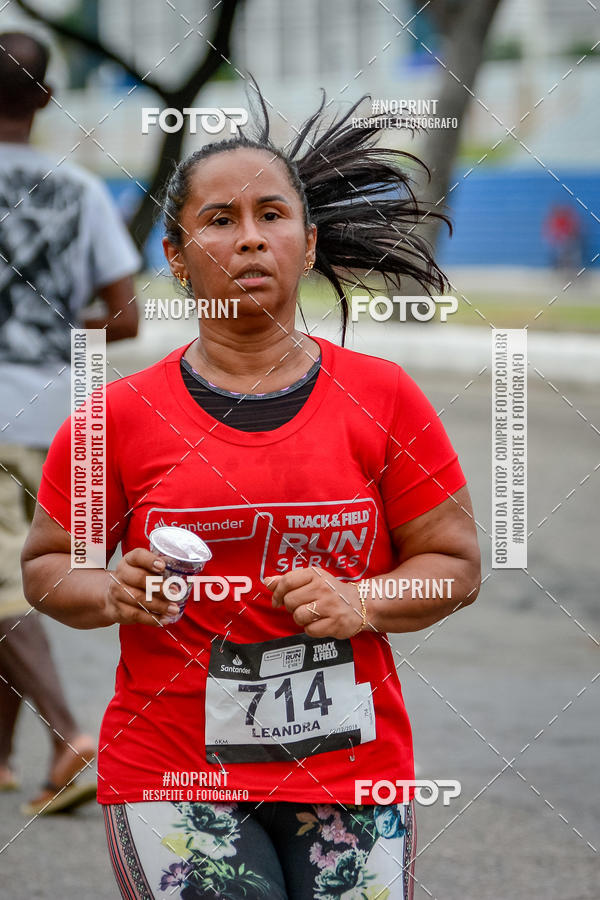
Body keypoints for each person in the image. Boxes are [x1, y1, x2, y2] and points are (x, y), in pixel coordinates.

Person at [22, 89, 480, 898]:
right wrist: (114, 589)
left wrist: (364, 602)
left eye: (272, 216)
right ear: (175, 251)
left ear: (307, 245)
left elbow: (454, 563)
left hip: (351, 771)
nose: (249, 239)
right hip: (175, 769)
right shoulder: (115, 420)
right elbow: (49, 568)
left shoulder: (384, 398)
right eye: (220, 220)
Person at [0, 31, 140, 814]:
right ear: (48, 99)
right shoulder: (80, 189)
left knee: (5, 590)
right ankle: (7, 760)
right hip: (59, 415)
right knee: (13, 578)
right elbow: (125, 318)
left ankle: (67, 737)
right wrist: (49, 329)